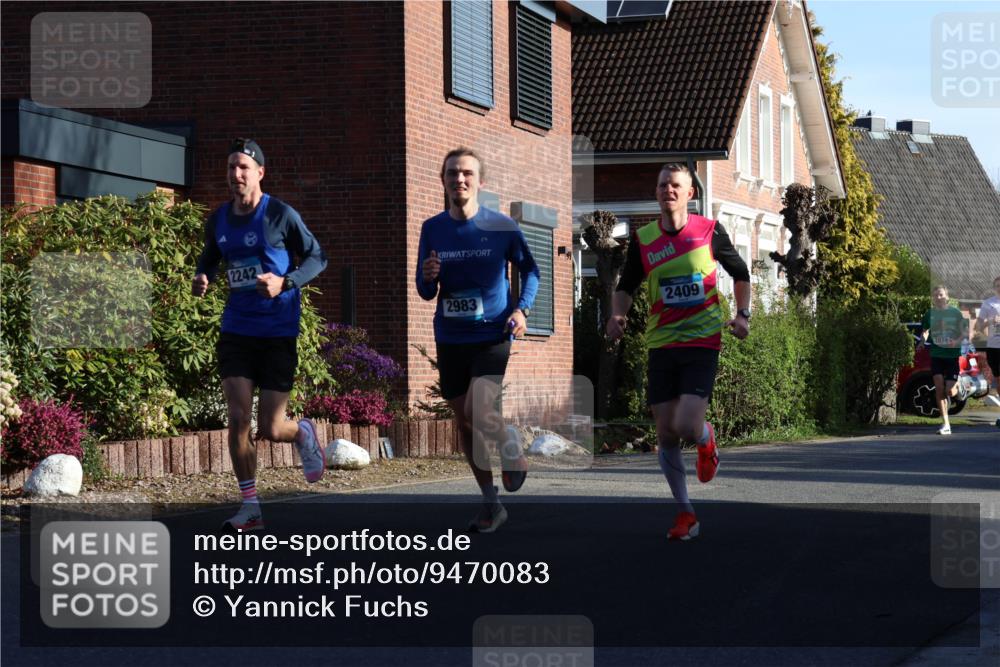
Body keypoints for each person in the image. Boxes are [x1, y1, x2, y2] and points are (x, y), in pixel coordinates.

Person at [607, 163, 750, 541]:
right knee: (666, 433)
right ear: (656, 193)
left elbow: (740, 272)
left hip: (702, 341)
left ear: (690, 193)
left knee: (686, 424)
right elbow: (627, 284)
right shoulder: (645, 239)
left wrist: (743, 314)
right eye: (662, 185)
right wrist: (617, 315)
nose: (667, 190)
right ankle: (685, 513)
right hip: (661, 344)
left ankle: (705, 439)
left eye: (675, 185)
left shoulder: (708, 231)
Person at [193, 138, 328, 531]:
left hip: (277, 330)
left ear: (260, 173)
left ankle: (301, 432)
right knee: (238, 418)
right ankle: (250, 504)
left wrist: (285, 283)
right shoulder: (218, 218)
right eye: (231, 167)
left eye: (243, 168)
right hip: (237, 329)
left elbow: (318, 256)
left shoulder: (281, 215)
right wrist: (204, 275)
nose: (236, 175)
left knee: (272, 427)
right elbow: (210, 255)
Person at [416, 147, 540, 533]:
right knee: (465, 423)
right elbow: (424, 290)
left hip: (493, 332)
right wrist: (429, 275)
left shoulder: (501, 226)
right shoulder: (432, 228)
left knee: (480, 411)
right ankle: (491, 503)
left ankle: (512, 449)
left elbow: (532, 271)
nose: (460, 179)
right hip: (451, 335)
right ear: (444, 180)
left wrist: (522, 310)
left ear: (479, 181)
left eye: (467, 173)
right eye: (452, 173)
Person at [921, 285, 967, 435]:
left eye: (940, 295)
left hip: (952, 355)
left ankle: (960, 386)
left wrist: (957, 341)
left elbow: (964, 333)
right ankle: (946, 424)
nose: (938, 297)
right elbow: (925, 331)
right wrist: (922, 341)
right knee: (939, 389)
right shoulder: (929, 314)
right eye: (935, 295)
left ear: (947, 297)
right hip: (936, 355)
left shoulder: (955, 313)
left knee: (950, 391)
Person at [973, 276, 1000, 408]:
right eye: (998, 286)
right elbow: (977, 327)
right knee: (999, 380)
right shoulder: (988, 303)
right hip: (994, 347)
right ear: (994, 288)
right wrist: (989, 322)